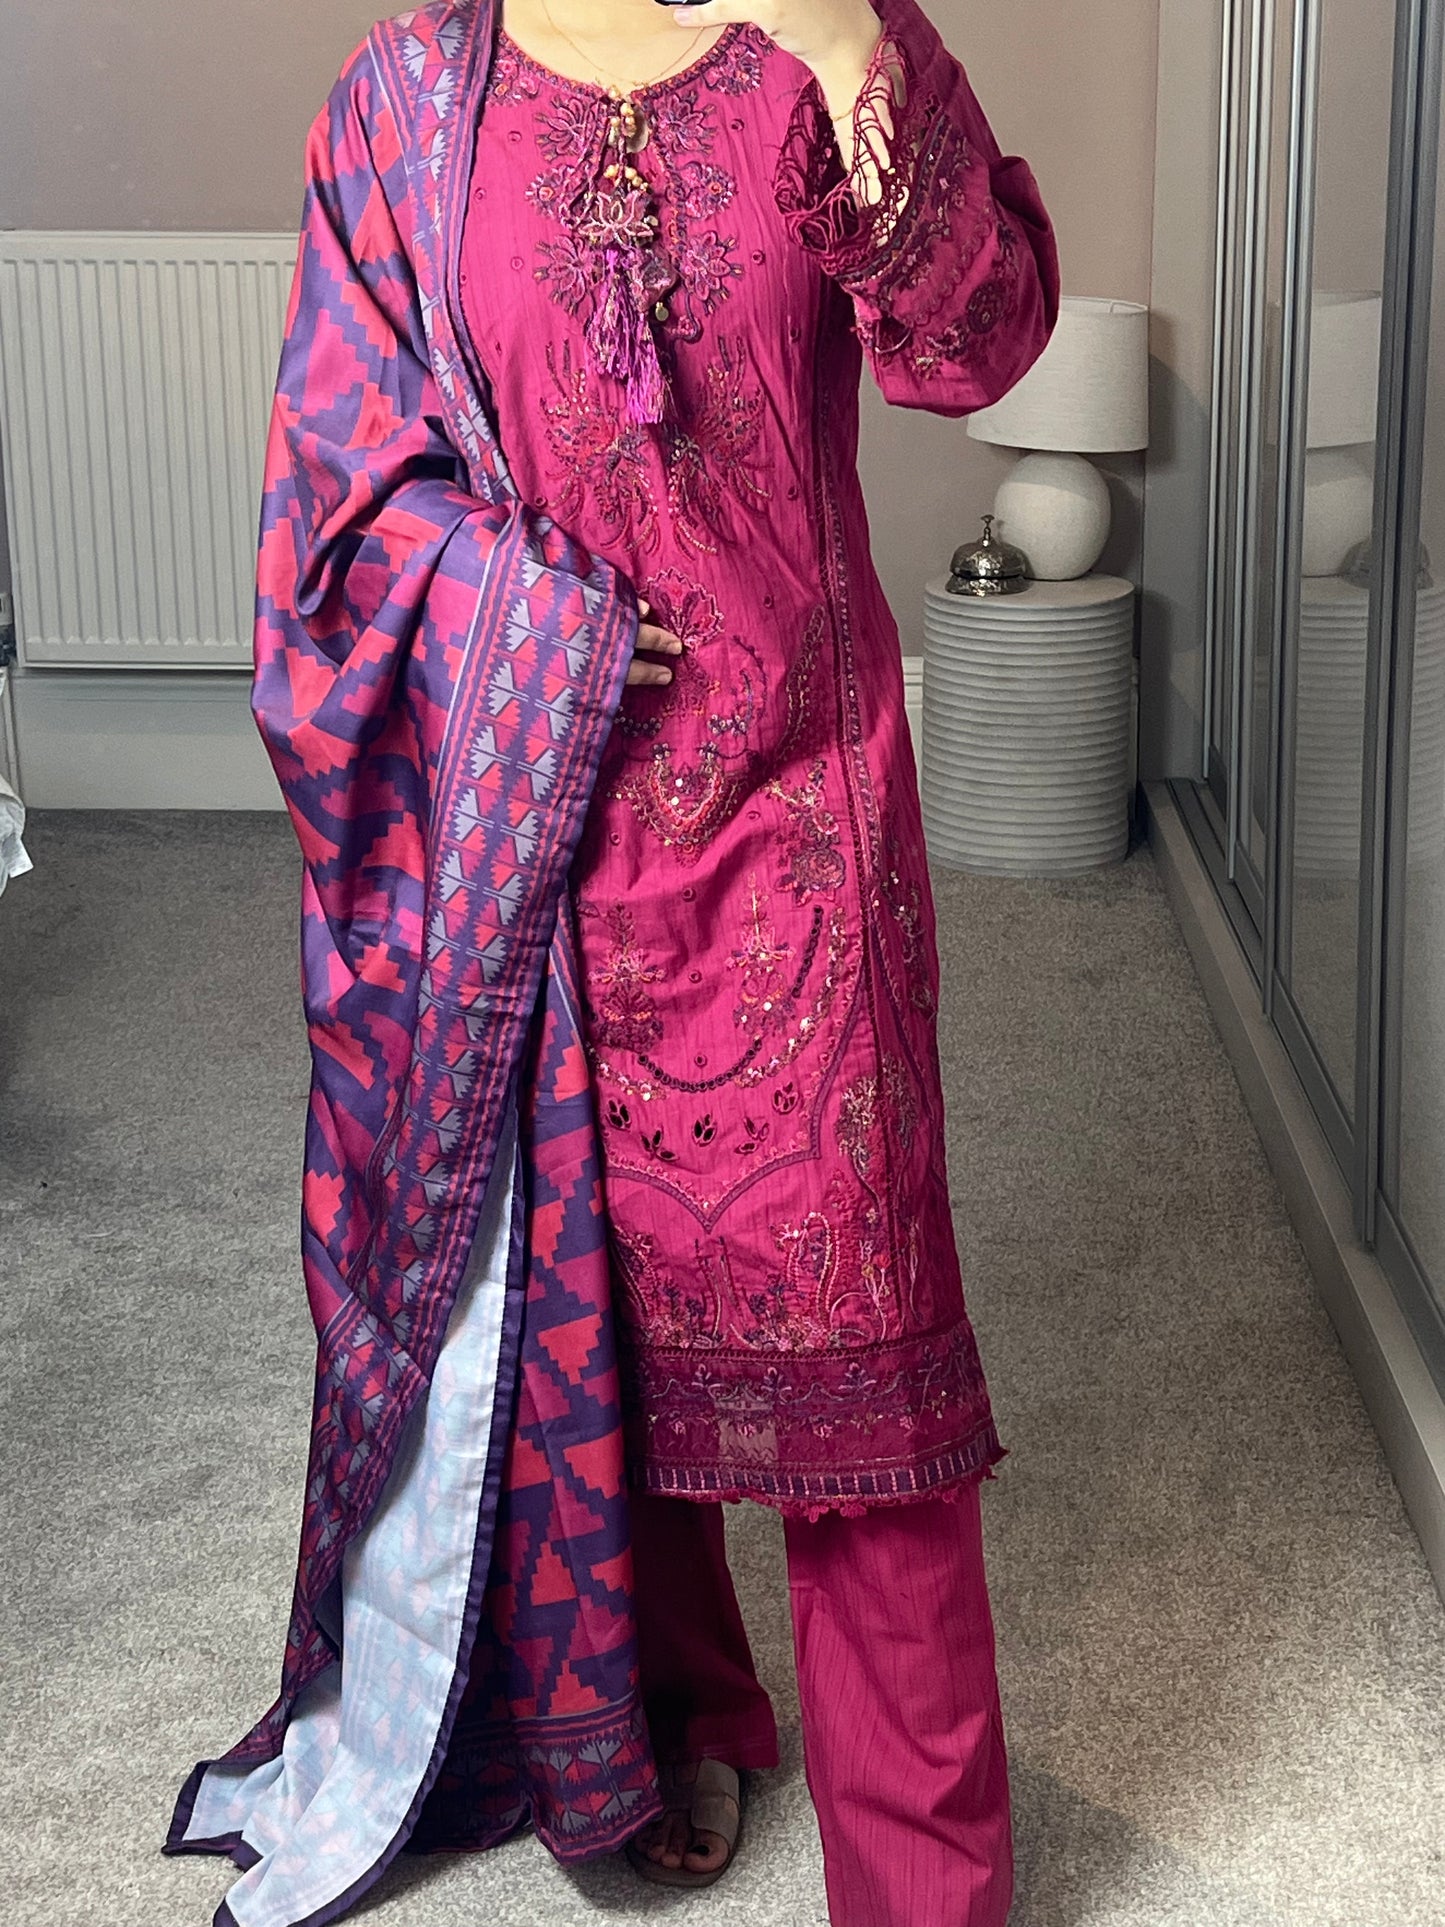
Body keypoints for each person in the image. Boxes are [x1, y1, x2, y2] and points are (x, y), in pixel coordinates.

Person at [163, 4, 1059, 1924]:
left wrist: (848, 52)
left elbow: (973, 344)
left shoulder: (823, 38)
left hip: (802, 809)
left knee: (865, 1361)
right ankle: (673, 1710)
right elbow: (343, 493)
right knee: (593, 1315)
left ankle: (927, 1885)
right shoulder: (413, 99)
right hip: (541, 832)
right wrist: (526, 622)